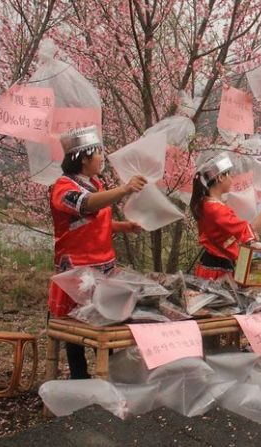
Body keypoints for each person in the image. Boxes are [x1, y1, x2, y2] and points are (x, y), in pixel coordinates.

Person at [49, 126, 147, 379]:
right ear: (83, 157)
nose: (102, 158)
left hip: (104, 264)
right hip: (79, 270)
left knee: (106, 320)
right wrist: (124, 189)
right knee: (77, 327)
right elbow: (85, 206)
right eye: (99, 154)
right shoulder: (62, 187)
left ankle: (109, 376)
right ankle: (80, 378)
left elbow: (94, 222)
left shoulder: (95, 183)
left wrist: (123, 226)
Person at [190, 153, 261, 280]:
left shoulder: (207, 203)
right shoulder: (216, 209)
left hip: (213, 264)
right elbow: (246, 231)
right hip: (217, 271)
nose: (232, 178)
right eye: (229, 174)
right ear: (220, 177)